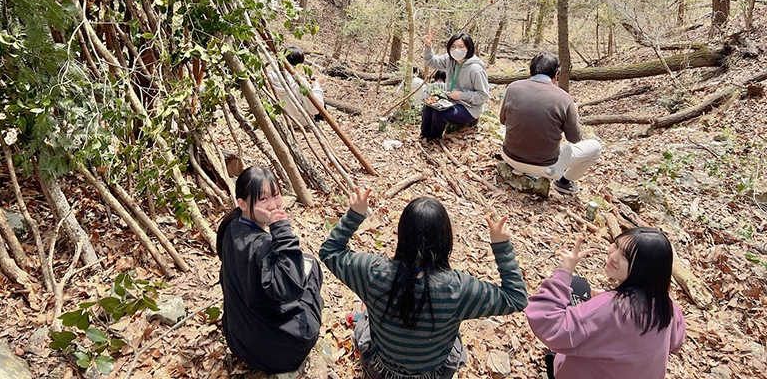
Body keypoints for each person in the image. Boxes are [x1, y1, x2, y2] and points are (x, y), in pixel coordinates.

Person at [319, 188, 528, 379]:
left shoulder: (372, 272)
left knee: (367, 313)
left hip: (380, 370)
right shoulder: (459, 289)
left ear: (402, 234)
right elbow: (516, 298)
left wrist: (355, 214)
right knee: (454, 336)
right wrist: (501, 246)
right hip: (434, 374)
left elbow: (330, 252)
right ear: (446, 239)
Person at [526, 228, 686, 379]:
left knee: (575, 285)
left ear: (644, 269)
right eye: (616, 245)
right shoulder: (667, 304)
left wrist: (564, 273)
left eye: (626, 257)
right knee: (581, 287)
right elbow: (676, 341)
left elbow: (550, 326)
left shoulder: (611, 307)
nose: (613, 256)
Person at [217, 166, 322, 374]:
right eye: (263, 199)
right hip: (279, 354)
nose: (273, 205)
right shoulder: (262, 246)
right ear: (243, 204)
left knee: (303, 261)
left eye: (275, 195)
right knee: (312, 269)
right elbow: (290, 289)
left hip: (238, 342)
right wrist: (282, 230)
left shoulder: (231, 227)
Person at [499, 51, 601, 195]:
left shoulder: (513, 87)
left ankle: (521, 169)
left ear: (531, 70)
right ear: (557, 74)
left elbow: (503, 120)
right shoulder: (564, 99)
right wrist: (575, 114)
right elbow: (575, 138)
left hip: (509, 156)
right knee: (595, 147)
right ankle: (564, 183)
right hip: (545, 166)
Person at [420, 30, 490, 141]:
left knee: (439, 113)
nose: (456, 50)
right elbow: (432, 61)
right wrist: (428, 47)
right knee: (430, 105)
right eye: (453, 46)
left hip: (469, 107)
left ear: (468, 48)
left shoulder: (475, 69)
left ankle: (433, 140)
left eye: (461, 47)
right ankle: (424, 136)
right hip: (450, 101)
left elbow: (483, 96)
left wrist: (461, 95)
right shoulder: (450, 59)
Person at [268, 46, 324, 128]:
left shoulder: (269, 76)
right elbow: (314, 109)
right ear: (299, 64)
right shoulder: (299, 82)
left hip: (276, 119)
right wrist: (317, 85)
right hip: (298, 122)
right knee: (317, 98)